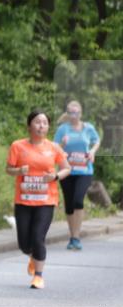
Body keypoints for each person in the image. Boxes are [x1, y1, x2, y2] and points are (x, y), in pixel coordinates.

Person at [5, 109, 71, 289]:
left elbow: (67, 168)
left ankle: (38, 276)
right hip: (23, 200)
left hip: (46, 201)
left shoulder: (54, 148)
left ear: (48, 127)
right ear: (29, 126)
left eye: (44, 123)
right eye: (37, 122)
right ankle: (33, 257)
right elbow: (8, 169)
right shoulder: (18, 146)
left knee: (37, 237)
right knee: (24, 244)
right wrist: (19, 171)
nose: (41, 126)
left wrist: (55, 176)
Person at [54, 101, 101, 250]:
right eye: (70, 113)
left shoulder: (88, 128)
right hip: (66, 171)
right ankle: (72, 236)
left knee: (78, 200)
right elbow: (54, 147)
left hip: (84, 171)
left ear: (80, 113)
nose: (73, 115)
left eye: (76, 113)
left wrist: (92, 151)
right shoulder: (63, 129)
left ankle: (76, 237)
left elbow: (97, 141)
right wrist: (62, 145)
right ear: (67, 114)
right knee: (69, 204)